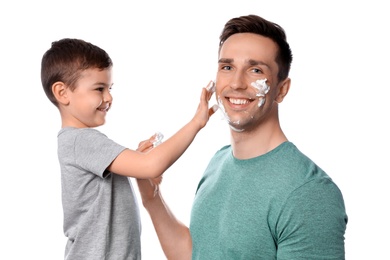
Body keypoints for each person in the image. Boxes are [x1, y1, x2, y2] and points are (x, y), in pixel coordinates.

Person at [136, 14, 348, 259]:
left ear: (282, 89)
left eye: (255, 70)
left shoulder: (308, 192)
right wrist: (152, 198)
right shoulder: (219, 162)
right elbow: (198, 254)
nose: (236, 83)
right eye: (227, 67)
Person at [40, 38, 216, 260]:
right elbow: (151, 166)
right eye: (99, 89)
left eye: (110, 88)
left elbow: (141, 166)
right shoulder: (82, 141)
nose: (109, 97)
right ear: (62, 93)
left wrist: (136, 160)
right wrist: (196, 123)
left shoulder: (80, 143)